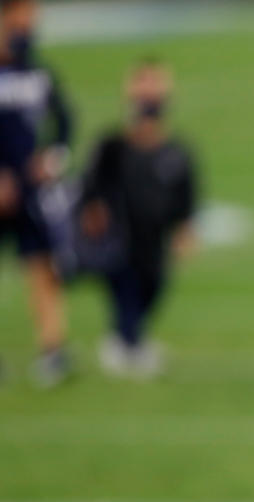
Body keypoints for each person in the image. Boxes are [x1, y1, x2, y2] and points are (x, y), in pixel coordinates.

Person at [79, 57, 196, 378]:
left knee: (154, 284)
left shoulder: (176, 151)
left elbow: (186, 195)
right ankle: (126, 343)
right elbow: (90, 184)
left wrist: (185, 228)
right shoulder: (113, 145)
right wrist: (93, 211)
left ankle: (128, 340)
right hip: (121, 235)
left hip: (155, 237)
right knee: (125, 284)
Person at [0, 0, 73, 386]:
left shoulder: (37, 71)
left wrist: (52, 158)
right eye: (21, 21)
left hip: (30, 191)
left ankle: (53, 350)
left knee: (43, 266)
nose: (27, 28)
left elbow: (64, 120)